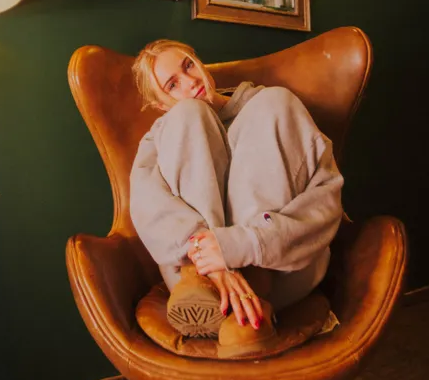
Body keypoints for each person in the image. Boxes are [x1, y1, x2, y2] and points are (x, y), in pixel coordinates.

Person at [129, 39, 344, 357]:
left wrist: (240, 246)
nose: (190, 81)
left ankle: (253, 290)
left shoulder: (271, 107)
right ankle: (226, 300)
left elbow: (324, 197)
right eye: (172, 85)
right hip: (195, 279)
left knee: (276, 100)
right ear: (160, 103)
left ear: (199, 61)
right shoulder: (162, 133)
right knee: (188, 114)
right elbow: (148, 208)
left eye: (188, 65)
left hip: (277, 266)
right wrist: (209, 258)